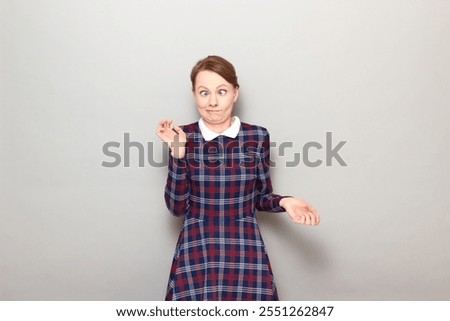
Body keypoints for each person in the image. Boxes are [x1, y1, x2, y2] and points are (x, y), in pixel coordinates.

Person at [156, 55, 320, 301]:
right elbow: (177, 208)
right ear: (194, 95)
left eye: (221, 91)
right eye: (204, 93)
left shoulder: (257, 136)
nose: (212, 102)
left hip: (244, 247)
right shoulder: (181, 135)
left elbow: (261, 197)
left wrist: (286, 202)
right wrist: (178, 153)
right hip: (198, 247)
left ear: (235, 93)